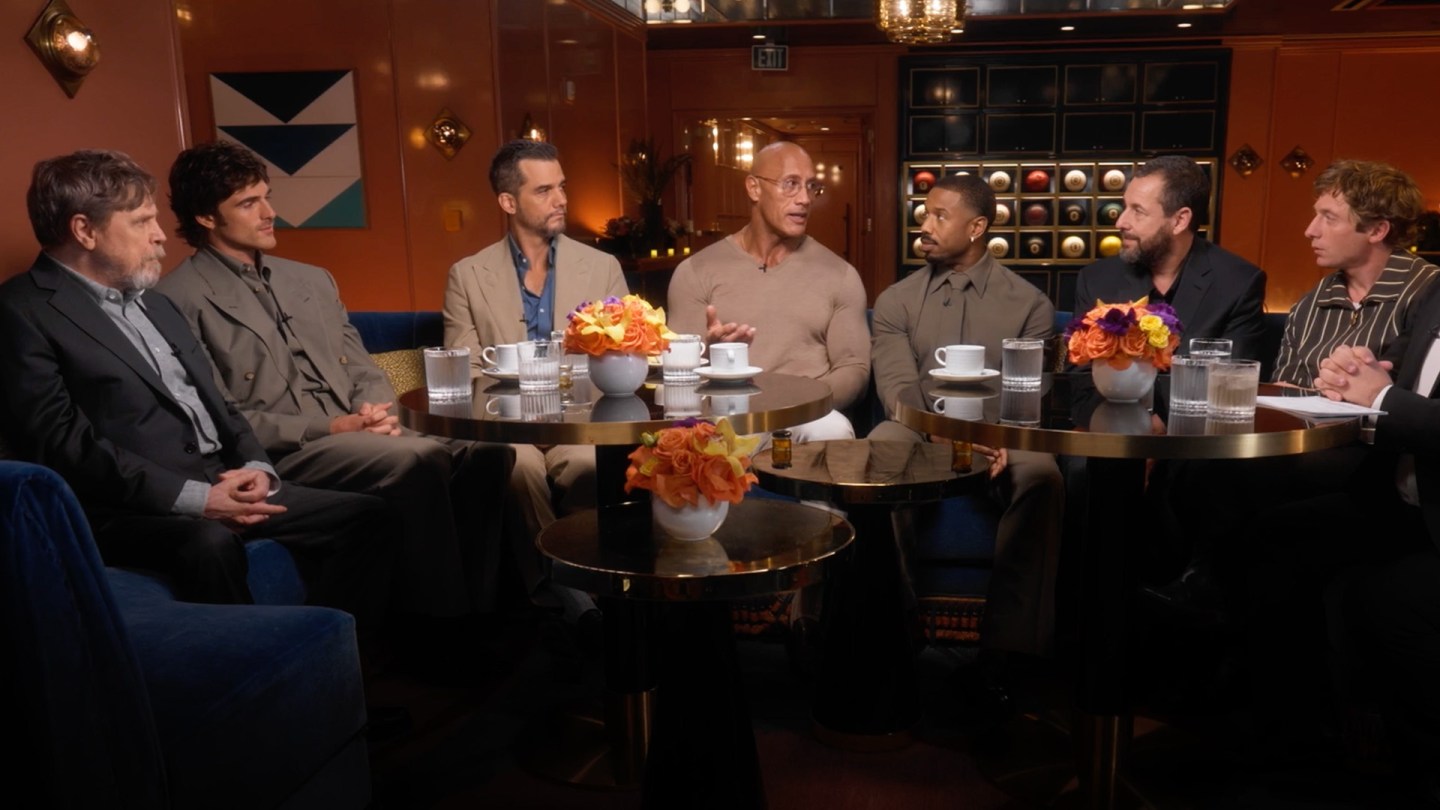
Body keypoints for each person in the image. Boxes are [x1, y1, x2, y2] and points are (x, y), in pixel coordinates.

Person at [0, 149, 391, 612]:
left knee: (368, 517)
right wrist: (195, 499)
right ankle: (250, 665)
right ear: (84, 230)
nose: (160, 236)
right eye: (142, 222)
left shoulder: (156, 303)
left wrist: (257, 468)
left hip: (224, 475)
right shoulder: (21, 309)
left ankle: (332, 647)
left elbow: (221, 405)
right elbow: (61, 442)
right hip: (127, 506)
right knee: (208, 543)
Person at [157, 141, 513, 630]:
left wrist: (378, 409)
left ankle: (487, 602)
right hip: (289, 450)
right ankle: (444, 626)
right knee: (418, 459)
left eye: (266, 196)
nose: (269, 213)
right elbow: (224, 416)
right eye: (248, 203)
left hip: (364, 431)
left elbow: (363, 368)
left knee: (489, 449)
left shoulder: (312, 279)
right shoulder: (175, 299)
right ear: (205, 217)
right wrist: (336, 426)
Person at [869, 172, 1065, 701]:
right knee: (880, 451)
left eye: (939, 216)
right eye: (924, 213)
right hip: (918, 428)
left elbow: (1031, 389)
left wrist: (993, 432)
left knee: (1043, 474)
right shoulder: (895, 301)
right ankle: (895, 629)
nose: (924, 225)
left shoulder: (1029, 305)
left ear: (977, 227)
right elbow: (898, 387)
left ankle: (1009, 653)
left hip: (1005, 429)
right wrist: (947, 437)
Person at [444, 139, 624, 626]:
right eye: (544, 190)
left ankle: (589, 586)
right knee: (516, 465)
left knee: (590, 464)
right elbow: (467, 372)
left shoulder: (603, 267)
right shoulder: (467, 275)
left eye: (562, 187)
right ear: (508, 202)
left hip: (581, 423)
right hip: (509, 427)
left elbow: (626, 357)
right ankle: (567, 592)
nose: (561, 200)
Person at [667, 141, 869, 442]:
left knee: (833, 427)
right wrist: (708, 353)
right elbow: (676, 374)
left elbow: (854, 369)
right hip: (723, 415)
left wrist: (801, 402)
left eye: (810, 186)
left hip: (806, 415)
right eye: (791, 184)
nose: (804, 199)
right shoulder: (695, 271)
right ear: (754, 188)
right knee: (676, 450)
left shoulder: (841, 275)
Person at [1073, 155, 1267, 372]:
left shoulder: (1237, 284)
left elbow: (1232, 383)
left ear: (1179, 220)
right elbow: (1081, 382)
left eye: (1138, 211)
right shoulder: (1096, 280)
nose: (1121, 222)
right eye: (1124, 206)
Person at [1271, 159, 1439, 388]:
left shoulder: (1428, 293)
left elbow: (1416, 402)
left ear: (1377, 230)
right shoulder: (1310, 303)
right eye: (1316, 216)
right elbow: (1285, 388)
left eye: (1329, 218)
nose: (1310, 231)